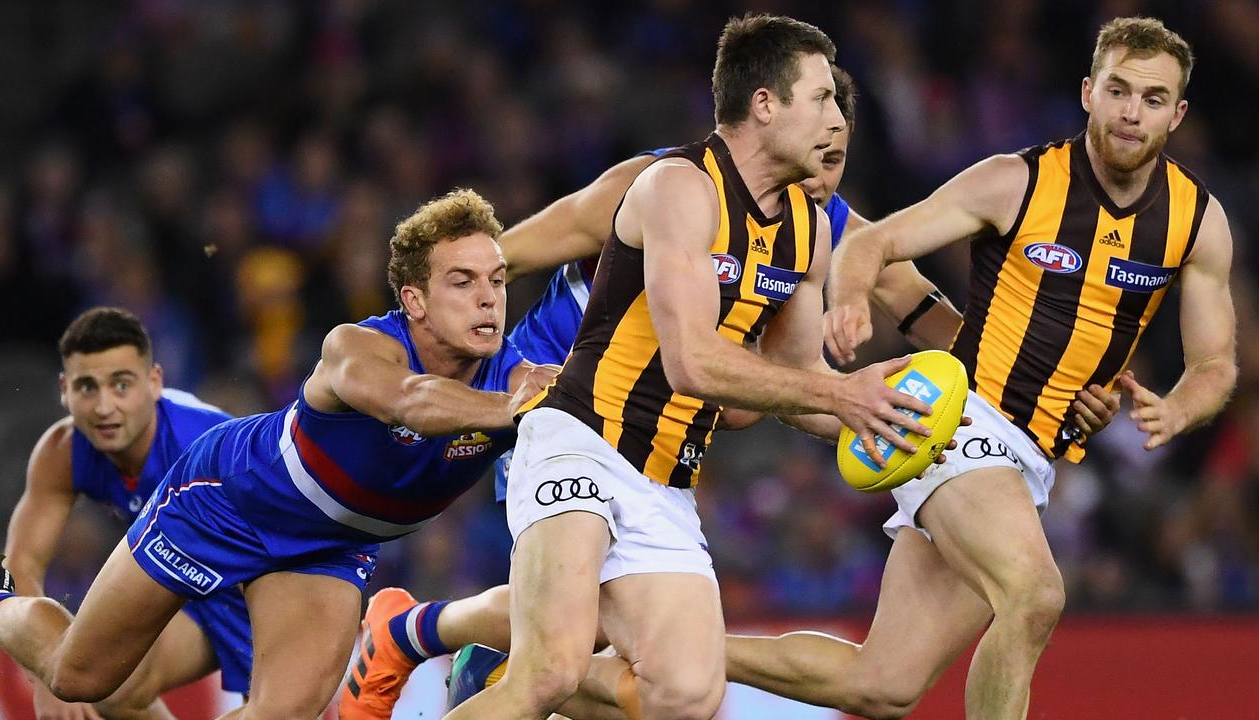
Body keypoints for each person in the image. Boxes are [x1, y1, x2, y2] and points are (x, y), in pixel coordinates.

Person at [342, 63, 1121, 720]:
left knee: (645, 669)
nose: (826, 175)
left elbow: (928, 318)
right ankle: (448, 653)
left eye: (840, 157)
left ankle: (430, 641)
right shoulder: (664, 183)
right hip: (554, 399)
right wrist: (424, 340)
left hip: (661, 441)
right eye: (818, 148)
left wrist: (1044, 390)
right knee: (573, 645)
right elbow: (507, 255)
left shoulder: (823, 227)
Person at [446, 14, 942, 720]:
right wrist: (842, 394)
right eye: (822, 98)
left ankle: (484, 672)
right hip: (581, 439)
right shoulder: (677, 186)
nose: (838, 120)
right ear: (764, 104)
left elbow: (790, 388)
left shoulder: (807, 235)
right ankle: (484, 662)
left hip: (667, 479)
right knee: (551, 670)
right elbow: (690, 361)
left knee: (686, 696)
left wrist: (886, 415)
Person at [0, 188, 556, 718]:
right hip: (227, 501)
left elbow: (578, 402)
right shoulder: (355, 348)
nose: (488, 300)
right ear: (415, 300)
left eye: (498, 281)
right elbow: (411, 401)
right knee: (79, 677)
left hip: (330, 546)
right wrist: (512, 410)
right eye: (463, 282)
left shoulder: (520, 380)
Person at [825, 16, 1236, 719]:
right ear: (1087, 93)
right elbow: (877, 242)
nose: (1132, 113)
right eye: (1119, 90)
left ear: (1180, 112)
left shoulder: (1197, 222)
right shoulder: (1016, 181)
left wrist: (1177, 408)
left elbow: (1217, 365)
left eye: (1154, 98)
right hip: (960, 417)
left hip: (1031, 460)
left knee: (882, 684)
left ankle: (633, 668)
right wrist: (850, 300)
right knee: (1036, 594)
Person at [0, 306, 251, 719]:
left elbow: (276, 551)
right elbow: (21, 563)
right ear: (64, 390)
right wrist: (45, 674)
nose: (103, 407)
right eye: (86, 387)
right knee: (108, 683)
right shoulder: (62, 452)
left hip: (259, 584)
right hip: (189, 591)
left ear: (154, 383)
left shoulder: (207, 445)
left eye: (120, 385)